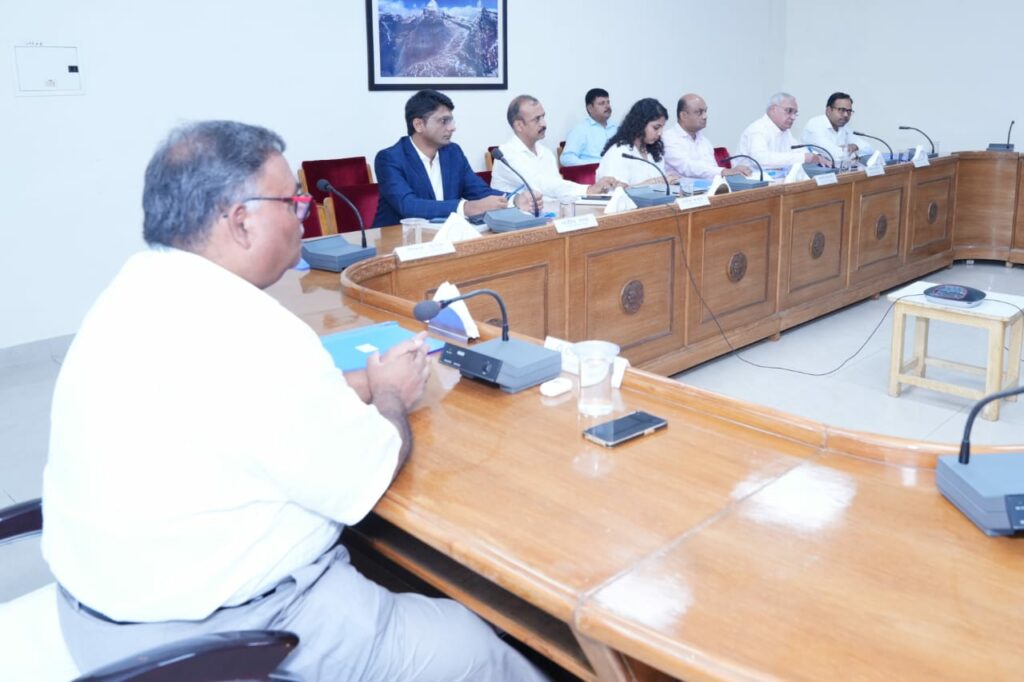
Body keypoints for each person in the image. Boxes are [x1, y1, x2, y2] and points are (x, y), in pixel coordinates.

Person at [41, 120, 548, 682]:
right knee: (471, 644)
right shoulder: (253, 332)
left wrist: (363, 382)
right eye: (292, 202)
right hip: (220, 640)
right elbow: (370, 470)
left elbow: (242, 406)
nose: (304, 216)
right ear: (240, 221)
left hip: (99, 618)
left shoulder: (137, 288)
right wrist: (390, 393)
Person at [373, 89, 537, 227]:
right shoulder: (389, 159)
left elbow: (480, 191)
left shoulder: (452, 152)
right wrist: (466, 208)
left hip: (442, 239)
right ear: (419, 125)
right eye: (444, 121)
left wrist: (515, 200)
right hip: (396, 242)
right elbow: (408, 206)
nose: (452, 127)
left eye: (451, 120)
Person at [491, 95, 622, 207]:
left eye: (543, 117)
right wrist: (588, 190)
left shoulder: (546, 152)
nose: (544, 124)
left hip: (550, 214)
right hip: (516, 220)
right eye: (536, 119)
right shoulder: (506, 154)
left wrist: (596, 196)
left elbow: (559, 192)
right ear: (519, 125)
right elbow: (539, 185)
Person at [662, 93, 751, 180]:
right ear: (683, 116)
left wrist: (734, 173)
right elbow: (687, 167)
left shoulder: (704, 140)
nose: (705, 116)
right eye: (699, 112)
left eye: (705, 111)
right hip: (681, 189)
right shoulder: (668, 138)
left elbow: (712, 171)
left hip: (707, 188)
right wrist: (723, 171)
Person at [596, 97, 679, 187]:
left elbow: (661, 185)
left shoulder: (655, 152)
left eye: (662, 128)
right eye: (656, 128)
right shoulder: (619, 153)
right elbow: (614, 191)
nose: (660, 133)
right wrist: (654, 182)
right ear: (640, 124)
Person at [737, 92, 829, 170]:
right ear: (773, 109)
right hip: (750, 182)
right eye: (789, 111)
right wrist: (803, 157)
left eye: (795, 113)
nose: (793, 117)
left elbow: (799, 150)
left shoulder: (785, 131)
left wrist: (817, 156)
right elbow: (760, 159)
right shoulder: (758, 129)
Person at [802, 92, 874, 166]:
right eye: (841, 110)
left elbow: (869, 149)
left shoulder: (844, 127)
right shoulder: (815, 125)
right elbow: (836, 156)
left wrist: (855, 146)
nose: (846, 115)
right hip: (813, 172)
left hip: (838, 171)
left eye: (849, 111)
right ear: (829, 110)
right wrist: (852, 153)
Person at [560, 87, 618, 166]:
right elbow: (566, 158)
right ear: (590, 108)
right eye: (602, 103)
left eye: (608, 102)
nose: (607, 106)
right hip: (594, 171)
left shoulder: (617, 128)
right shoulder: (581, 130)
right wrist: (592, 166)